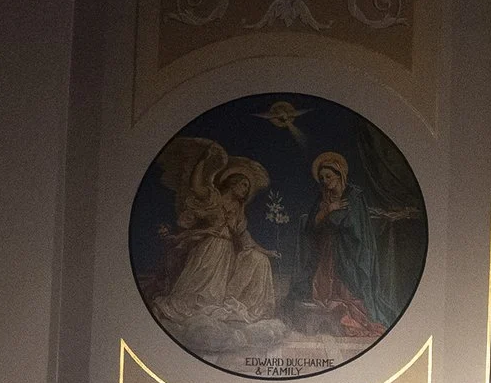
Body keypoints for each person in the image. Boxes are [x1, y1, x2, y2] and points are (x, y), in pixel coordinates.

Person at [144, 138, 279, 342]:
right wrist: (202, 161)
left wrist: (267, 252)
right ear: (232, 182)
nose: (245, 190)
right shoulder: (213, 197)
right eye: (243, 184)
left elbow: (246, 238)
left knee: (224, 287)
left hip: (226, 253)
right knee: (200, 289)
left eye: (247, 187)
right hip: (208, 248)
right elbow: (196, 185)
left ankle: (219, 315)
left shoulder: (239, 212)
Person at [297, 150, 401, 340]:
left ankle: (349, 313)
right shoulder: (324, 198)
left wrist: (333, 218)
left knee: (347, 286)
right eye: (322, 178)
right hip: (328, 249)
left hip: (350, 250)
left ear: (339, 175)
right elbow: (312, 226)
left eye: (328, 176)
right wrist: (328, 210)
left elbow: (356, 227)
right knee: (322, 282)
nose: (325, 181)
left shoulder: (354, 195)